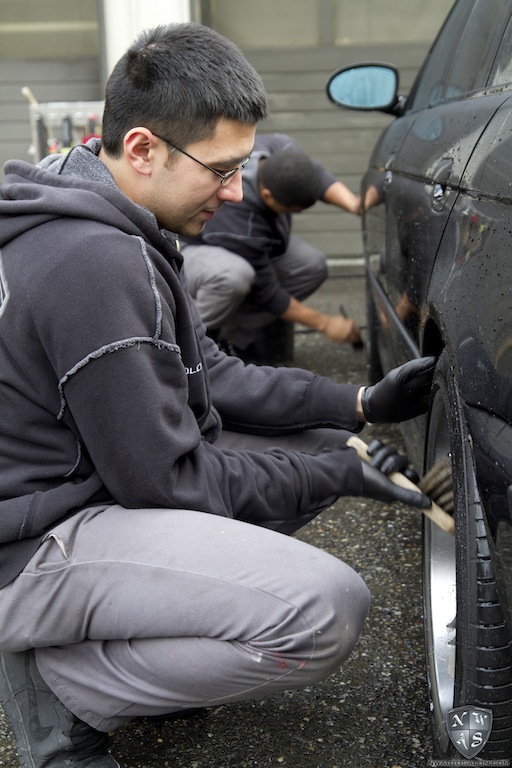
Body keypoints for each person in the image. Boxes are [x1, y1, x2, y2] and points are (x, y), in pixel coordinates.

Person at [0, 22, 436, 768]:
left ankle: (144, 629)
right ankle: (65, 684)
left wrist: (359, 406)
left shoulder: (94, 201)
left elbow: (217, 376)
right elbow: (170, 479)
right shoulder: (95, 263)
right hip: (27, 549)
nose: (236, 191)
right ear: (141, 148)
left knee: (333, 449)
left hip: (77, 489)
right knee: (326, 608)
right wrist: (336, 473)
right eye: (222, 170)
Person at [181, 132, 363, 361]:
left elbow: (315, 173)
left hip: (253, 245)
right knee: (233, 277)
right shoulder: (241, 223)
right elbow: (267, 292)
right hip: (190, 247)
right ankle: (189, 342)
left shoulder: (281, 148)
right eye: (291, 210)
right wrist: (325, 324)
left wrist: (355, 205)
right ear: (267, 194)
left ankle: (234, 338)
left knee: (312, 266)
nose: (294, 215)